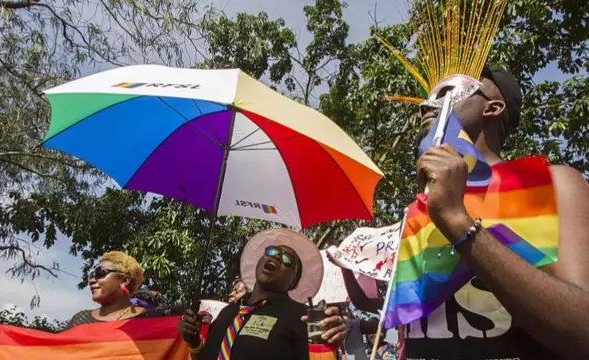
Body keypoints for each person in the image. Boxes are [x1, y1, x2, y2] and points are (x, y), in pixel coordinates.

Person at [375, 0, 589, 358]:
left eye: (447, 92)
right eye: (429, 96)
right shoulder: (422, 202)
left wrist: (459, 223)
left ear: (493, 106)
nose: (429, 104)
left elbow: (582, 331)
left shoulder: (551, 184)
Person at [178, 228, 348, 360]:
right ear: (260, 261)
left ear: (293, 283)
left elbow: (321, 352)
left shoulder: (304, 317)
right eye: (272, 252)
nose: (278, 258)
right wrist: (194, 343)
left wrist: (328, 343)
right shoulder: (228, 313)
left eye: (288, 260)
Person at [64, 251, 163, 329]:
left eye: (100, 273)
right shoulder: (80, 320)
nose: (91, 281)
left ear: (124, 280)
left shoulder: (149, 319)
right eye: (91, 276)